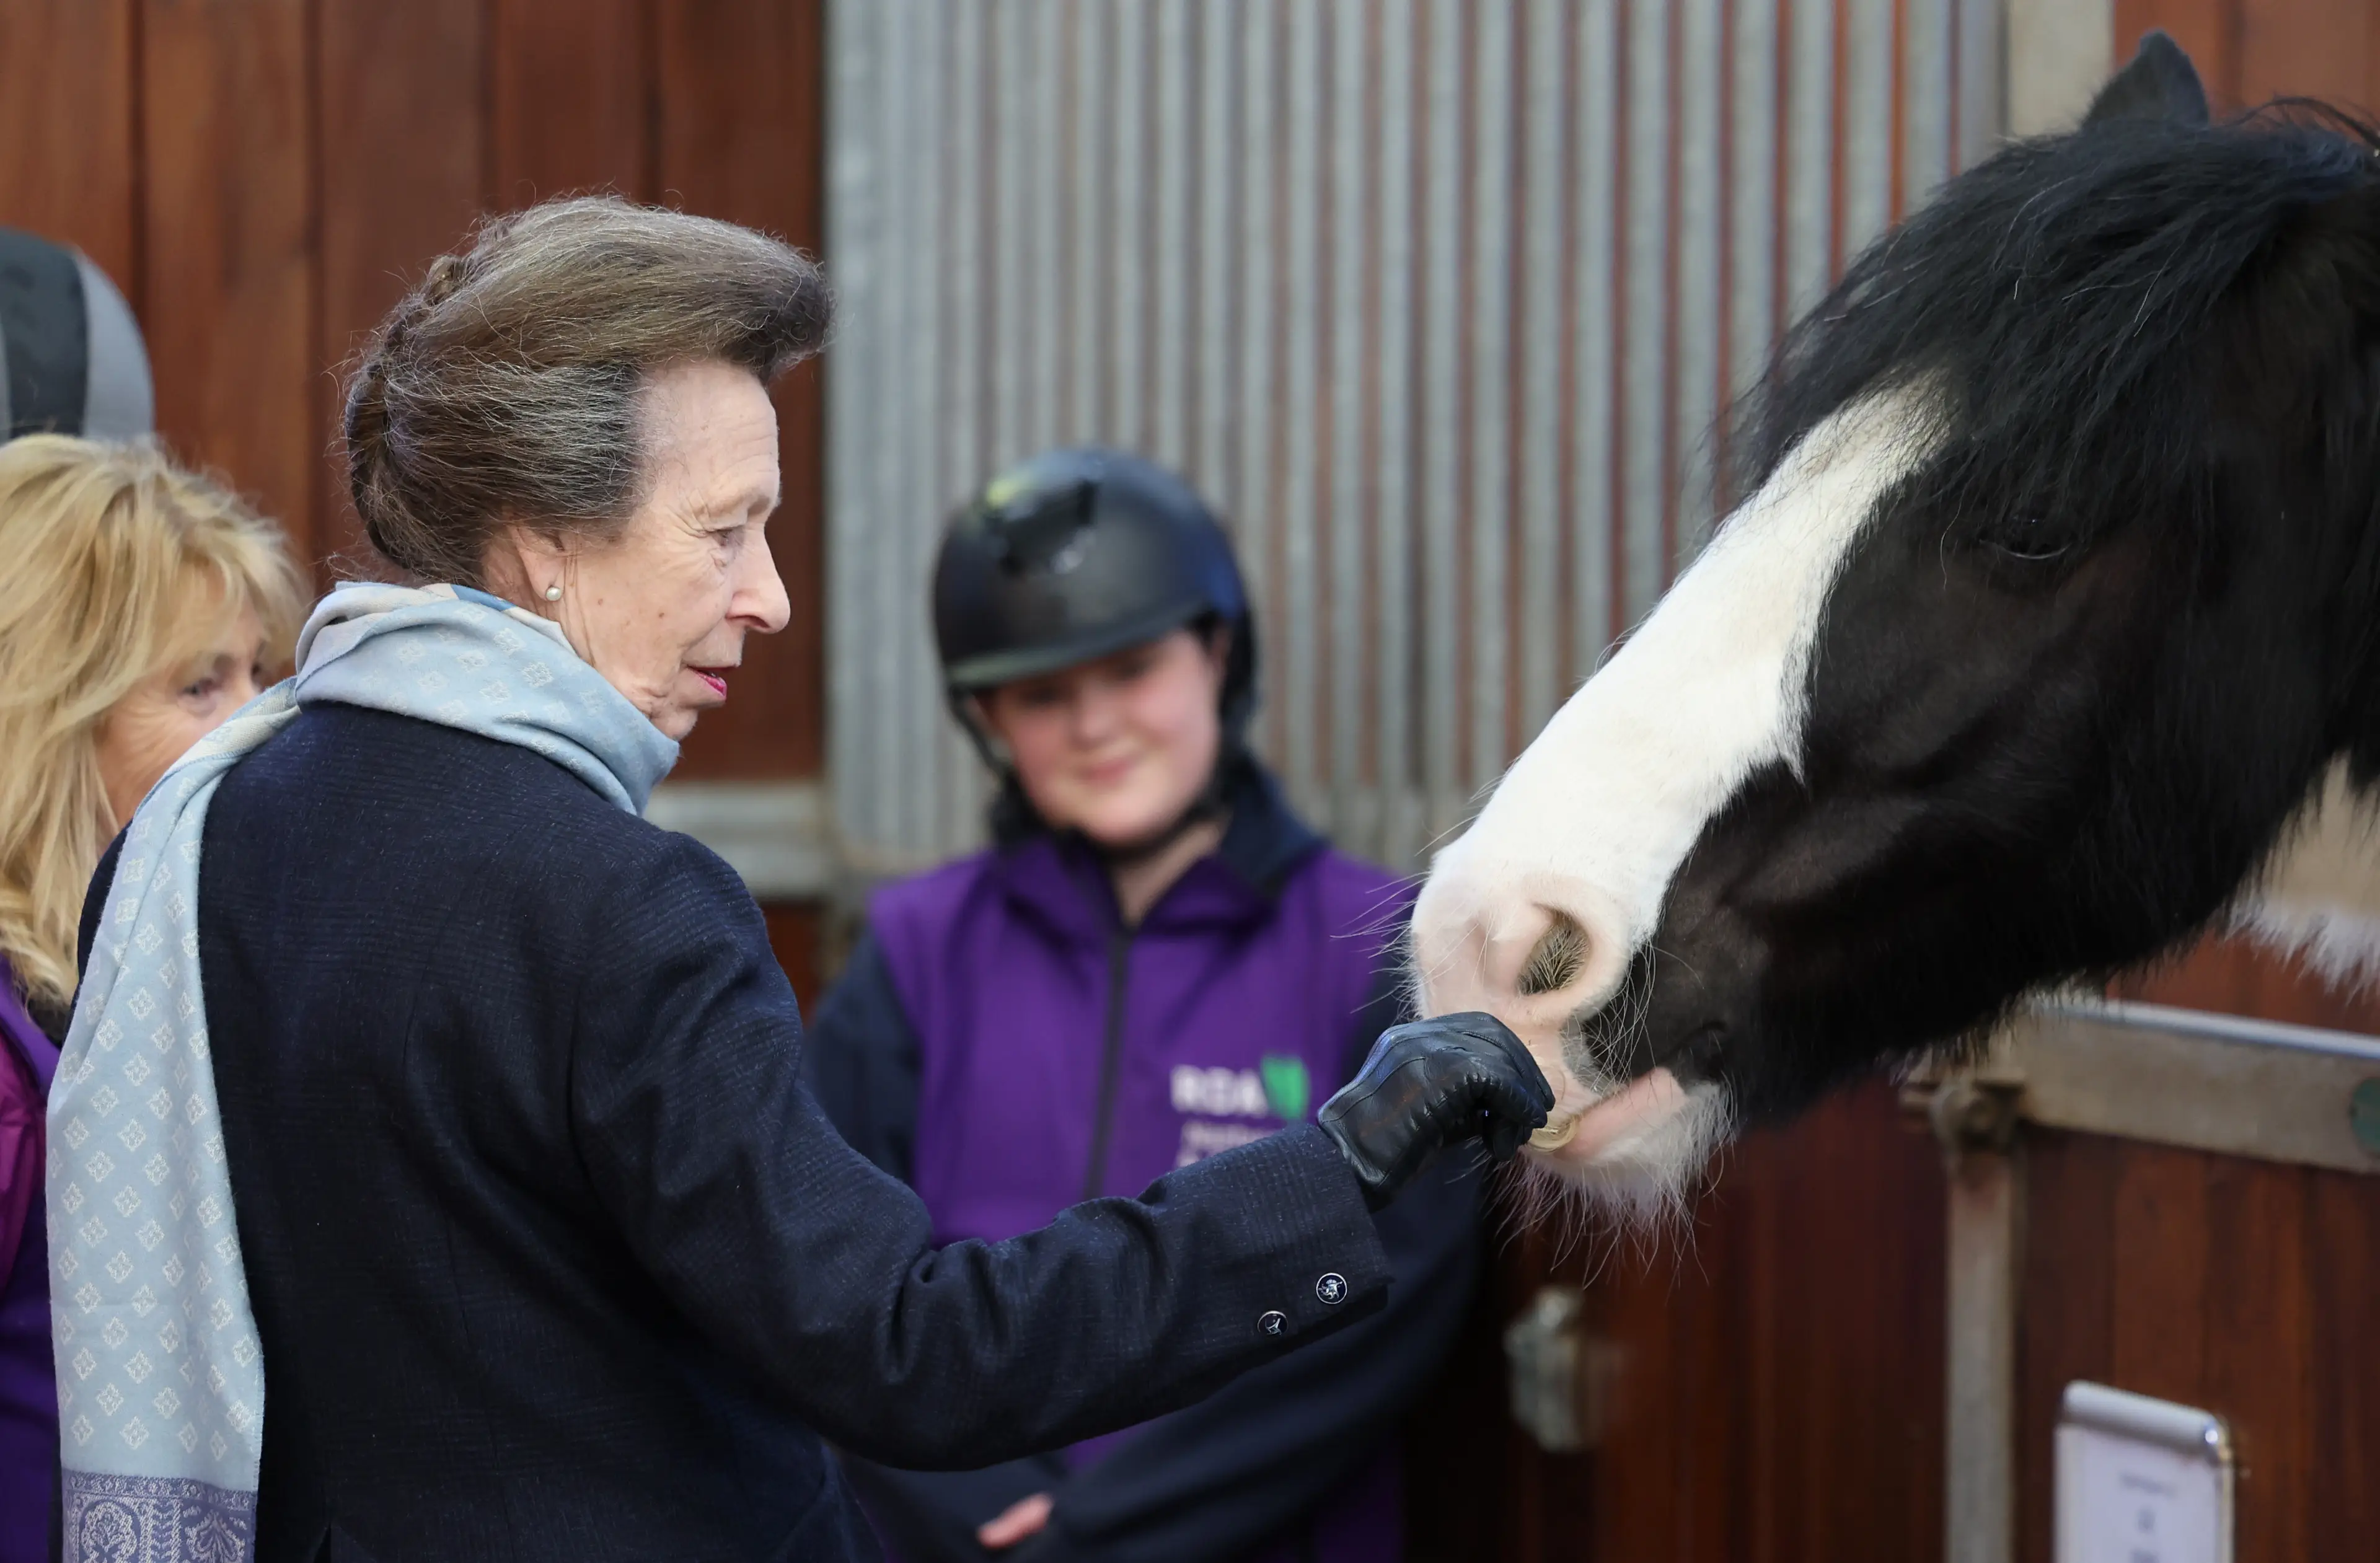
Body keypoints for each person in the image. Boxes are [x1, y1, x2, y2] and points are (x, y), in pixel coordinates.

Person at [45, 196, 1551, 1563]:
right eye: (725, 532)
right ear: (544, 536)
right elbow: (905, 1346)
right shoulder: (626, 906)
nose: (768, 597)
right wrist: (1341, 1162)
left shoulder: (204, 831)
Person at [806, 449, 1478, 1562]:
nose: (1095, 724)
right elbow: (832, 1289)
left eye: (1132, 668)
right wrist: (982, 1521)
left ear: (1218, 652)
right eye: (1044, 693)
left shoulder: (1374, 948)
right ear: (987, 718)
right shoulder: (914, 950)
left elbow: (1389, 1306)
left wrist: (1102, 1536)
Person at [1, 226, 258, 1563]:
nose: (260, 724)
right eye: (202, 684)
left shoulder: (142, 974)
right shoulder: (12, 1060)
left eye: (261, 671)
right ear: (50, 723)